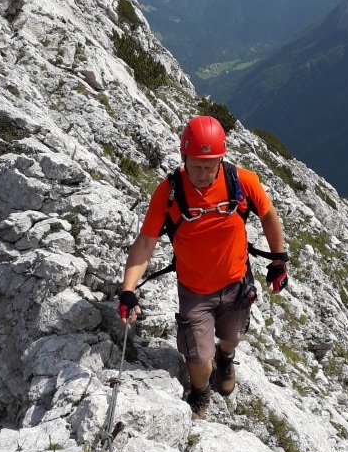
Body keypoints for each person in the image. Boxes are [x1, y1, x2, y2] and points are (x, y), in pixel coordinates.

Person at [118, 115, 288, 420]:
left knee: (232, 335)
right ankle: (199, 393)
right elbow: (145, 243)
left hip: (237, 282)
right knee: (197, 356)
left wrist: (279, 260)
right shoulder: (169, 193)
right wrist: (128, 290)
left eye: (209, 166)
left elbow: (269, 215)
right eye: (195, 165)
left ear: (221, 158)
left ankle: (226, 356)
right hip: (195, 291)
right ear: (184, 157)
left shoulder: (242, 181)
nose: (202, 172)